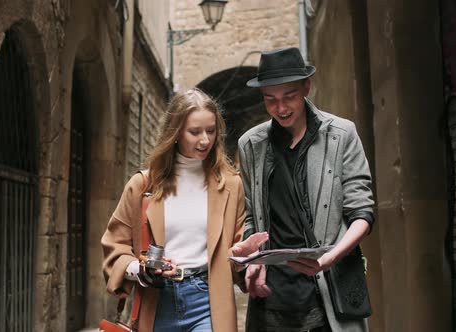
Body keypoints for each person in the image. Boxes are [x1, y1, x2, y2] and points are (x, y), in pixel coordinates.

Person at [101, 88, 268, 332]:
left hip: (208, 301)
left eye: (211, 131)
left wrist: (243, 256)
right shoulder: (143, 186)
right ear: (176, 132)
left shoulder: (231, 185)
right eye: (195, 132)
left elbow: (233, 260)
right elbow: (115, 247)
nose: (205, 140)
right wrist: (142, 268)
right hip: (158, 301)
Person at [237, 47, 375, 331]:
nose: (281, 108)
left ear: (306, 87)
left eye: (289, 96)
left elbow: (362, 213)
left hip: (327, 292)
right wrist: (253, 260)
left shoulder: (341, 134)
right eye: (270, 100)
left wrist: (330, 258)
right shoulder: (250, 144)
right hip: (272, 298)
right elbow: (253, 217)